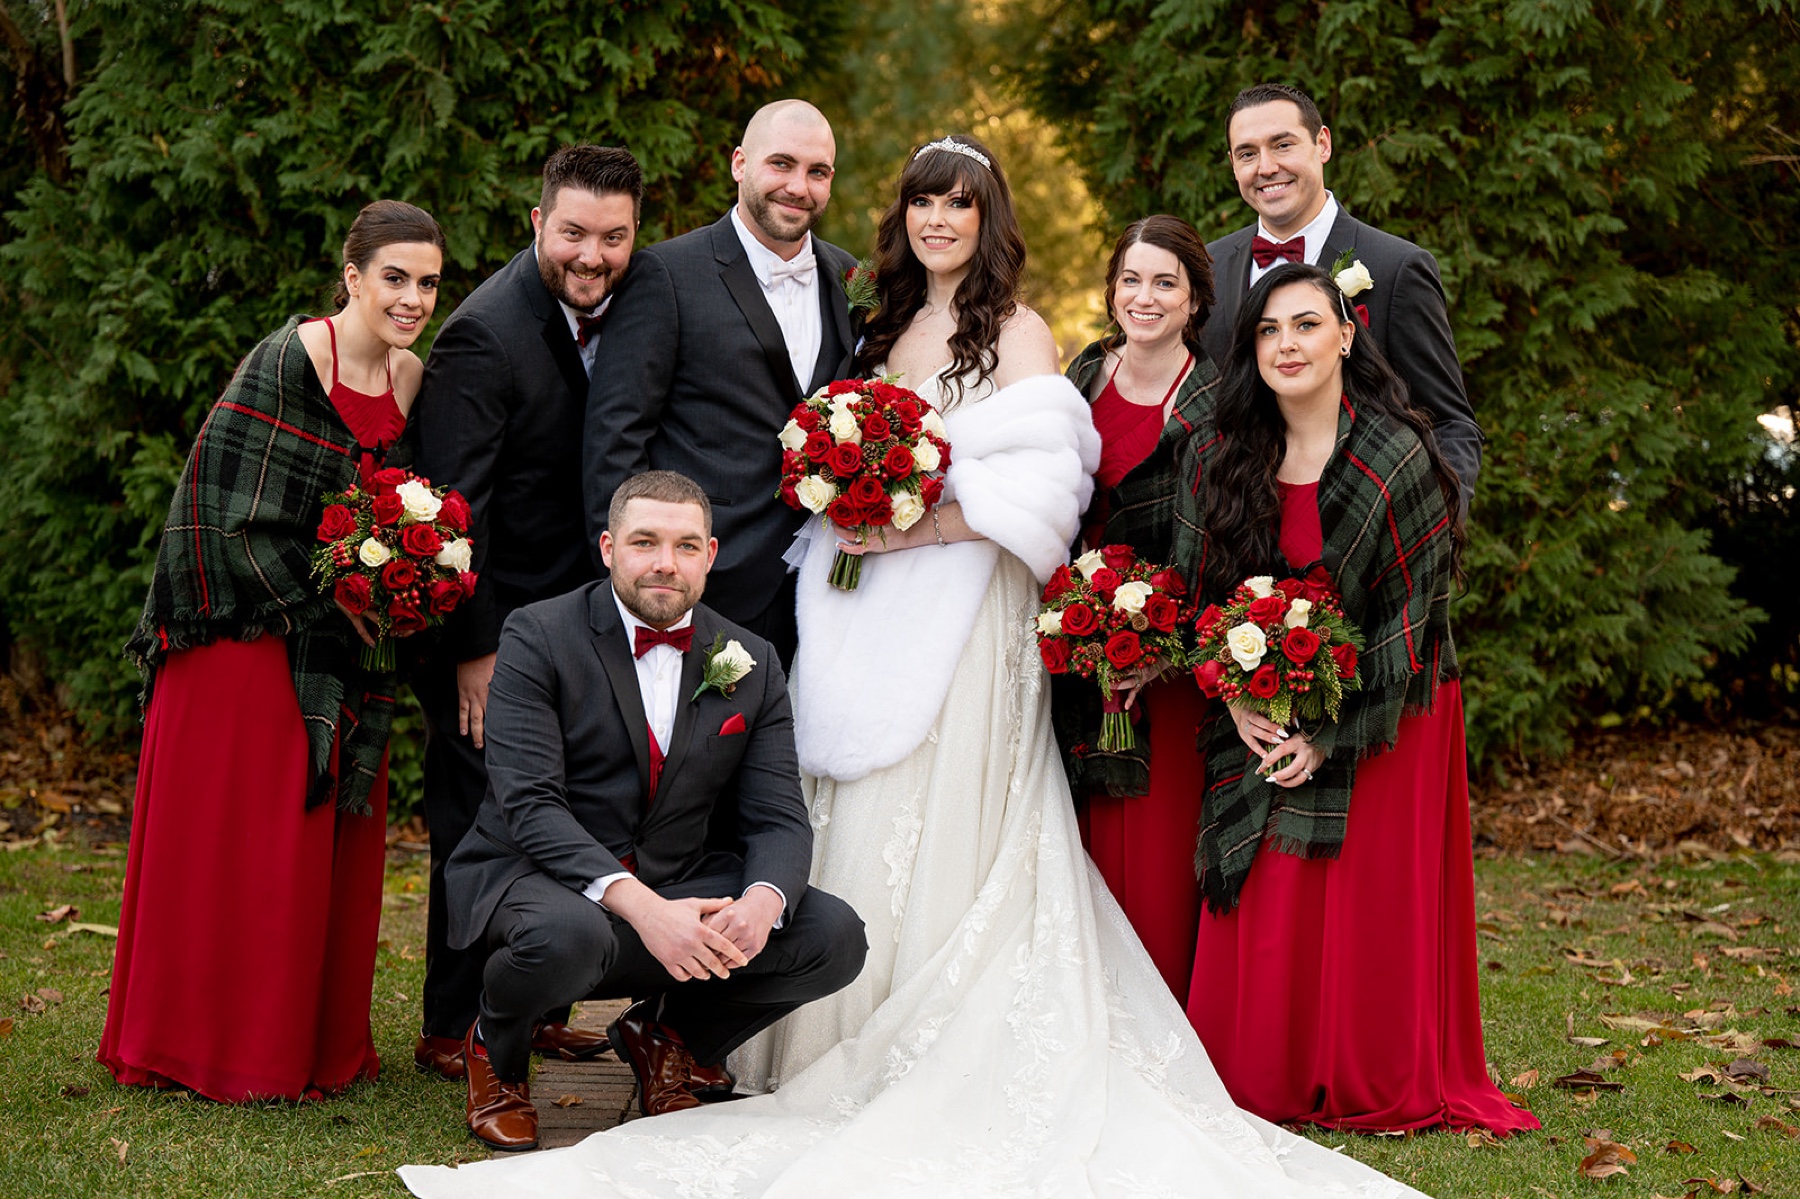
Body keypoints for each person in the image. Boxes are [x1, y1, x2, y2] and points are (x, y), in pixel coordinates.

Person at [398, 139, 1429, 1199]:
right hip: (861, 610)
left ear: (990, 219)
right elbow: (826, 454)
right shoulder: (876, 321)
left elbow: (1047, 482)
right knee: (844, 797)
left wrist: (920, 523)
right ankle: (766, 1031)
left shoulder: (1020, 330)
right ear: (905, 217)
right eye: (926, 201)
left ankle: (918, 1029)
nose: (941, 219)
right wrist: (852, 501)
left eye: (962, 204)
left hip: (968, 608)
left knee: (948, 807)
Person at [1178, 262, 1537, 1136]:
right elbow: (1198, 603)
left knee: (1356, 895)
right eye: (1268, 330)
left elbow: (1415, 623)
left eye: (1306, 325)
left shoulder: (1396, 454)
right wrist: (1233, 698)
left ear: (1346, 336)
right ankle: (1262, 1071)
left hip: (1392, 704)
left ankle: (1366, 1068)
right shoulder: (1223, 455)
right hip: (1263, 709)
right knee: (1266, 886)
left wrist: (1329, 733)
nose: (1286, 344)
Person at [99, 200, 444, 1101]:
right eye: (395, 278)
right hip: (245, 641)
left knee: (314, 848)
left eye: (428, 282)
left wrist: (400, 587)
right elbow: (222, 512)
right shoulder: (288, 360)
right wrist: (331, 590)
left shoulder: (412, 380)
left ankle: (305, 1042)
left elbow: (402, 511)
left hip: (341, 654)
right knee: (243, 849)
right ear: (353, 275)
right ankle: (205, 1046)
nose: (411, 299)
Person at [423, 470, 866, 1153]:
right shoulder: (539, 634)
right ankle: (500, 1054)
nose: (666, 562)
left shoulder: (753, 662)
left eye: (687, 545)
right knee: (570, 937)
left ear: (711, 556)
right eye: (645, 542)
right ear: (608, 548)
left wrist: (759, 899)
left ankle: (670, 1036)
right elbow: (530, 804)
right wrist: (646, 908)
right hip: (542, 876)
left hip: (677, 874)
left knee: (831, 933)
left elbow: (777, 816)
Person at [409, 145, 643, 1081]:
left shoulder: (621, 313)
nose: (593, 255)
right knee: (479, 819)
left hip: (566, 626)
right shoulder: (485, 334)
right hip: (488, 631)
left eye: (614, 237)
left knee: (560, 812)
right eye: (575, 232)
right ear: (536, 222)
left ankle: (537, 1008)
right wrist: (474, 653)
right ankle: (452, 1022)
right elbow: (457, 509)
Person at [585, 100, 859, 664]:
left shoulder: (848, 275)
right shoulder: (666, 273)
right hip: (706, 583)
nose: (798, 187)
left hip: (827, 591)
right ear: (740, 164)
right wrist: (633, 587)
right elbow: (614, 440)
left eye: (818, 172)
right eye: (780, 164)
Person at [1056, 214, 1218, 1003]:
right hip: (1079, 644)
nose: (1143, 297)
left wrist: (1166, 643)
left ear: (1193, 298)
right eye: (1130, 279)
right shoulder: (1086, 372)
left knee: (1155, 846)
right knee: (1081, 834)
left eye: (1164, 283)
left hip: (1173, 658)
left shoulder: (1217, 393)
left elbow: (1230, 531)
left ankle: (1164, 1018)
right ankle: (1091, 1012)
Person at [1201, 83, 1482, 509]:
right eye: (1247, 153)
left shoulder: (1396, 267)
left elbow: (1450, 423)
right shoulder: (1208, 269)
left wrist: (1426, 530)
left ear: (1322, 144)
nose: (1266, 166)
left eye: (1282, 145)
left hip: (1356, 540)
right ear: (1232, 165)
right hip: (1236, 534)